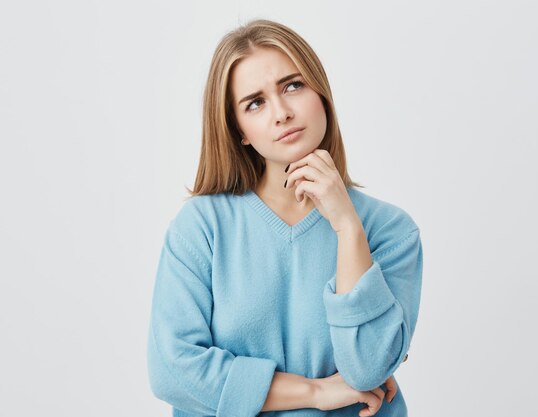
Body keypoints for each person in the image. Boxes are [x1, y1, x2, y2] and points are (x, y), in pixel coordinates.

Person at [147, 18, 423, 417]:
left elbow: (367, 368)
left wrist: (348, 228)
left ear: (321, 93)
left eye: (293, 85)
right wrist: (314, 391)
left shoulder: (391, 231)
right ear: (239, 129)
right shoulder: (201, 226)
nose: (281, 113)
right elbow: (172, 372)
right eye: (254, 103)